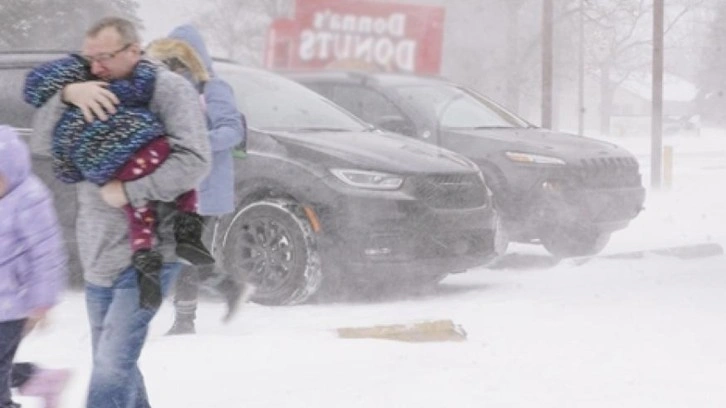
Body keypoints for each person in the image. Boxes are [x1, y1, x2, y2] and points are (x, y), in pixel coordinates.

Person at [28, 16, 211, 408]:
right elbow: (43, 143)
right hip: (99, 253)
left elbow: (196, 160)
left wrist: (130, 189)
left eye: (105, 57)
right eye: (89, 57)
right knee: (115, 363)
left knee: (112, 364)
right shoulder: (85, 85)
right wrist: (67, 95)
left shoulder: (168, 89)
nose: (95, 66)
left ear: (133, 50)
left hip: (150, 254)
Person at [24, 51, 216, 310]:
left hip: (115, 177)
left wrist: (88, 168)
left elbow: (59, 160)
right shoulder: (106, 88)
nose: (98, 67)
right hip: (145, 154)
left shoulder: (66, 114)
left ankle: (147, 258)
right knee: (177, 189)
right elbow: (141, 89)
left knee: (139, 215)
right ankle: (187, 235)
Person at [145, 25, 253, 335]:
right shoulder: (170, 89)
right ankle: (229, 287)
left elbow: (232, 131)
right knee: (177, 248)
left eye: (179, 59)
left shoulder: (214, 89)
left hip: (206, 186)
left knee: (183, 249)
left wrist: (192, 141)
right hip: (179, 184)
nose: (173, 66)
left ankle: (185, 319)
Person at [0, 126, 70, 408]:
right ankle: (39, 379)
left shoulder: (29, 199)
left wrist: (41, 302)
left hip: (12, 306)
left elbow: (46, 253)